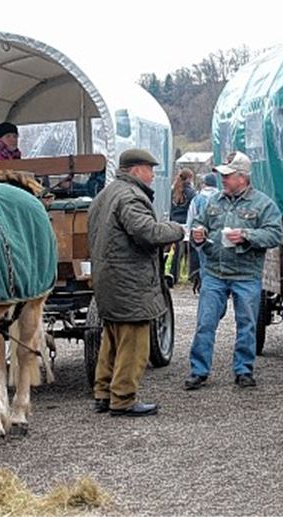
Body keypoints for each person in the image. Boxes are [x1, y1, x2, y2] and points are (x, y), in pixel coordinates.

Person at [87, 148, 184, 417]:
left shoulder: (105, 195)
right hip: (129, 282)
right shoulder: (130, 197)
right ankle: (123, 399)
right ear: (136, 169)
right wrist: (178, 230)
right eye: (150, 169)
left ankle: (103, 394)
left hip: (108, 279)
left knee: (112, 340)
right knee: (134, 344)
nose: (153, 174)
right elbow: (147, 233)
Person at [184, 153, 283, 390]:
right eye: (222, 176)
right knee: (205, 323)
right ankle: (198, 371)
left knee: (246, 324)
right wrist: (198, 233)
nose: (223, 180)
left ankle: (243, 370)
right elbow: (199, 224)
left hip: (246, 275)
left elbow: (275, 234)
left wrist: (247, 235)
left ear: (242, 177)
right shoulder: (213, 202)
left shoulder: (263, 204)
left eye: (227, 176)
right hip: (214, 273)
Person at [185, 173, 220, 288]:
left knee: (204, 262)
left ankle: (206, 284)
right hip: (219, 235)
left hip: (201, 235)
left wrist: (189, 233)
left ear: (205, 184)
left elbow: (191, 217)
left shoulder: (197, 198)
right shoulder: (221, 197)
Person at [166, 168, 197, 285]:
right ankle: (192, 275)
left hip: (174, 224)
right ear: (190, 178)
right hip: (186, 225)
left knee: (176, 254)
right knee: (191, 252)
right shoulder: (192, 193)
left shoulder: (173, 191)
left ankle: (173, 275)